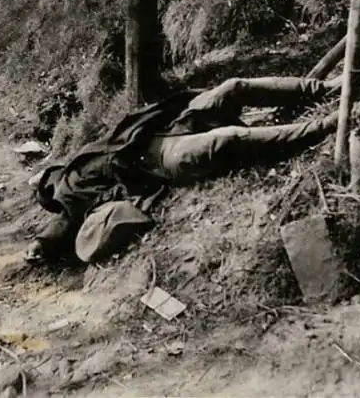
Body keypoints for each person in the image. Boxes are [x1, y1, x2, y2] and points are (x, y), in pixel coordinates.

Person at [26, 76, 342, 265]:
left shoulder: (83, 154)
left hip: (170, 126)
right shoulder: (67, 191)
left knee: (232, 87)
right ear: (48, 188)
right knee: (228, 139)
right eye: (46, 180)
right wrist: (42, 243)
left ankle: (326, 88)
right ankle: (325, 126)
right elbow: (63, 222)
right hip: (164, 160)